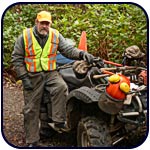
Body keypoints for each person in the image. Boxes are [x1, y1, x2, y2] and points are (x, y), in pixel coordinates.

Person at [11, 10, 94, 147]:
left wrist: (82, 54)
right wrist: (24, 77)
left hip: (50, 73)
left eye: (47, 24)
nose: (45, 26)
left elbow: (68, 50)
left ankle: (58, 121)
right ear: (36, 22)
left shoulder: (55, 35)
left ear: (50, 24)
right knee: (31, 108)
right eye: (42, 23)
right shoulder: (25, 36)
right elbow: (17, 58)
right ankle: (32, 141)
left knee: (61, 87)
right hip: (32, 75)